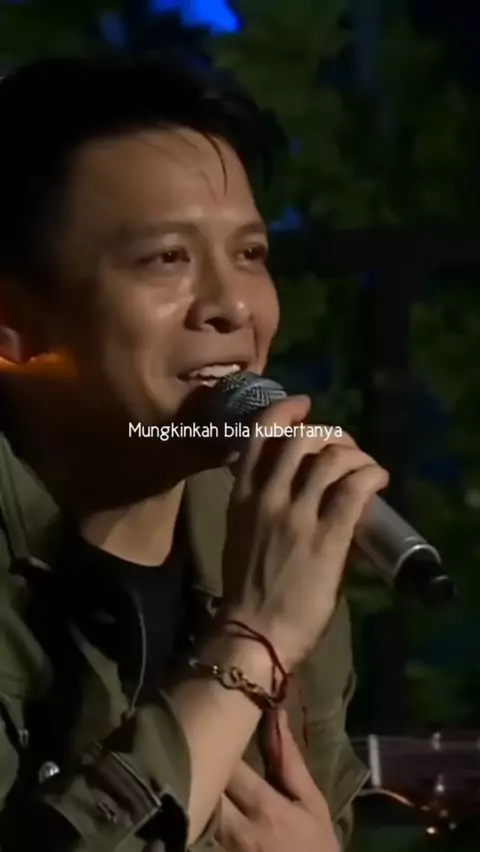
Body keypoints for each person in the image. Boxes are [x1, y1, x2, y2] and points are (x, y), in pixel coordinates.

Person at [0, 54, 389, 851]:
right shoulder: (269, 591)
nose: (233, 306)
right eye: (166, 259)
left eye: (250, 254)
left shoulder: (265, 534)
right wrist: (252, 640)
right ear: (14, 325)